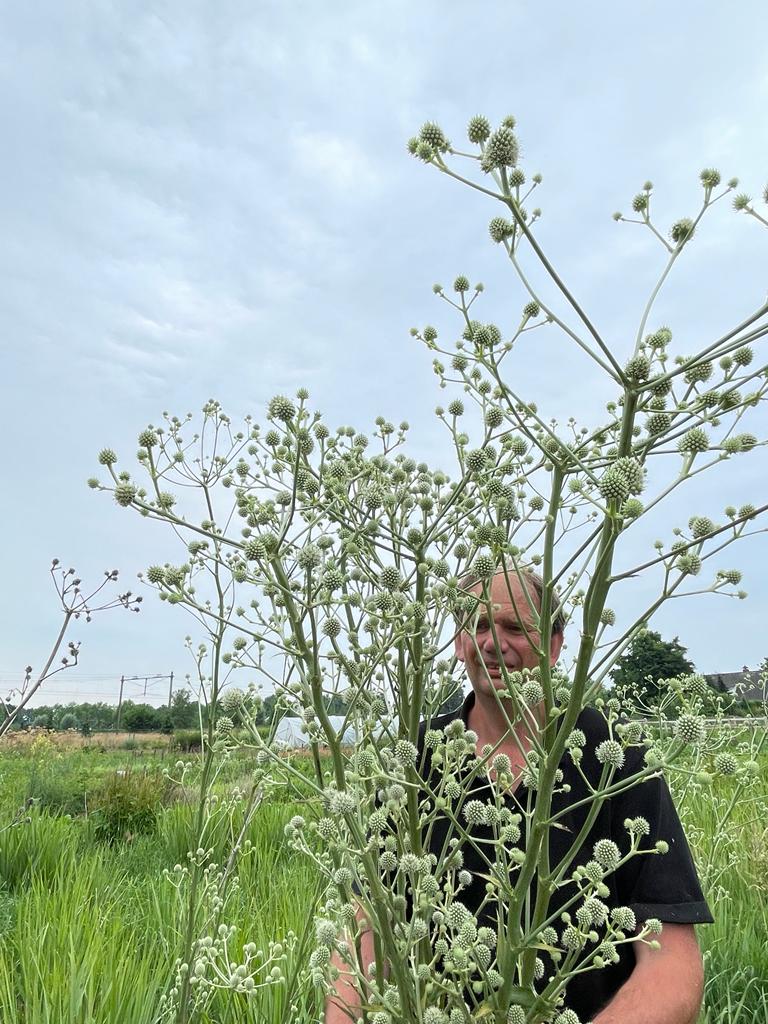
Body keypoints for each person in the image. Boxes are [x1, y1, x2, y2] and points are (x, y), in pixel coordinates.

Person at [326, 568, 711, 1023]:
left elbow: (673, 962)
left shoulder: (620, 761)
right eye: (480, 625)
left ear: (554, 644)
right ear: (459, 641)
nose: (492, 643)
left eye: (513, 627)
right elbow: (366, 931)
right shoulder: (410, 759)